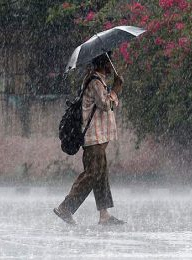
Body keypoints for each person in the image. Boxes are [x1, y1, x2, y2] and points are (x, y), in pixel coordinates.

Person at [54, 52, 125, 225]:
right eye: (110, 62)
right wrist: (116, 89)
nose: (111, 65)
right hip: (93, 138)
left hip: (99, 138)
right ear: (104, 63)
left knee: (100, 174)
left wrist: (113, 89)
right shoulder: (94, 82)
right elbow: (105, 104)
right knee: (92, 174)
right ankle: (66, 207)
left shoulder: (97, 80)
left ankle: (104, 215)